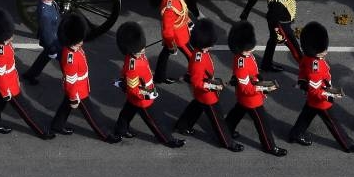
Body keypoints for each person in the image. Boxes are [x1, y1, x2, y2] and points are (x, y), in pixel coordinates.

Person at [288, 21, 354, 152]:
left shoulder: (308, 57)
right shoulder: (316, 67)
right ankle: (347, 144)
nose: (325, 51)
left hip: (313, 100)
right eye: (322, 50)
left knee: (306, 116)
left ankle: (294, 135)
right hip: (320, 100)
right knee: (333, 123)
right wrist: (331, 94)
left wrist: (302, 82)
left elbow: (302, 71)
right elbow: (315, 90)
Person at [110, 21, 184, 147]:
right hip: (142, 96)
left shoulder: (136, 53)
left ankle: (121, 129)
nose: (142, 50)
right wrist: (147, 94)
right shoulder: (132, 65)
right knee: (154, 120)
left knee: (128, 111)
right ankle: (167, 139)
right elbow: (134, 89)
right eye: (139, 49)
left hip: (142, 90)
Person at [173, 18, 243, 151]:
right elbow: (197, 81)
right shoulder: (199, 58)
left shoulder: (200, 52)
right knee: (218, 119)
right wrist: (214, 86)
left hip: (203, 92)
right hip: (207, 94)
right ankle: (227, 141)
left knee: (196, 106)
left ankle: (183, 126)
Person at [50, 14, 121, 141]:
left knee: (65, 106)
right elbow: (71, 80)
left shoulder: (73, 48)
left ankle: (57, 125)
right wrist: (74, 98)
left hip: (80, 85)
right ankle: (104, 134)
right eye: (78, 41)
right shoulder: (70, 57)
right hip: (77, 89)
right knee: (91, 113)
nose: (81, 42)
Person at [0, 9, 54, 138]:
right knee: (24, 109)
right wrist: (6, 92)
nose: (12, 35)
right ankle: (41, 131)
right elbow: (0, 75)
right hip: (8, 86)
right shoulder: (1, 51)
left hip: (9, 80)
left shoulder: (3, 44)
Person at [225, 19, 287, 156]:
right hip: (251, 99)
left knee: (238, 111)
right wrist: (263, 88)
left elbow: (253, 73)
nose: (252, 49)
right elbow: (246, 89)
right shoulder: (241, 63)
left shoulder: (245, 55)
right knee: (262, 123)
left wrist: (259, 80)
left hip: (246, 97)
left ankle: (227, 129)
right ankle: (269, 146)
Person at [261, 0, 301, 72]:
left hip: (280, 20)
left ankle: (266, 64)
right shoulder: (278, 1)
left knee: (272, 41)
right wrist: (280, 34)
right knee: (294, 47)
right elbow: (272, 18)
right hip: (282, 25)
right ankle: (305, 68)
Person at [22, 0, 62, 85]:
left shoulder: (47, 3)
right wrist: (52, 50)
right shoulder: (45, 15)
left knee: (43, 59)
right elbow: (47, 34)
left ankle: (30, 75)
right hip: (53, 42)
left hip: (55, 37)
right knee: (65, 61)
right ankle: (71, 79)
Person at [155, 0, 192, 84]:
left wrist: (189, 22)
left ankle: (159, 77)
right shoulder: (170, 7)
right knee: (192, 56)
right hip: (177, 38)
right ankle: (192, 76)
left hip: (182, 31)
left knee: (164, 55)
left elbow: (183, 11)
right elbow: (167, 30)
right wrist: (172, 46)